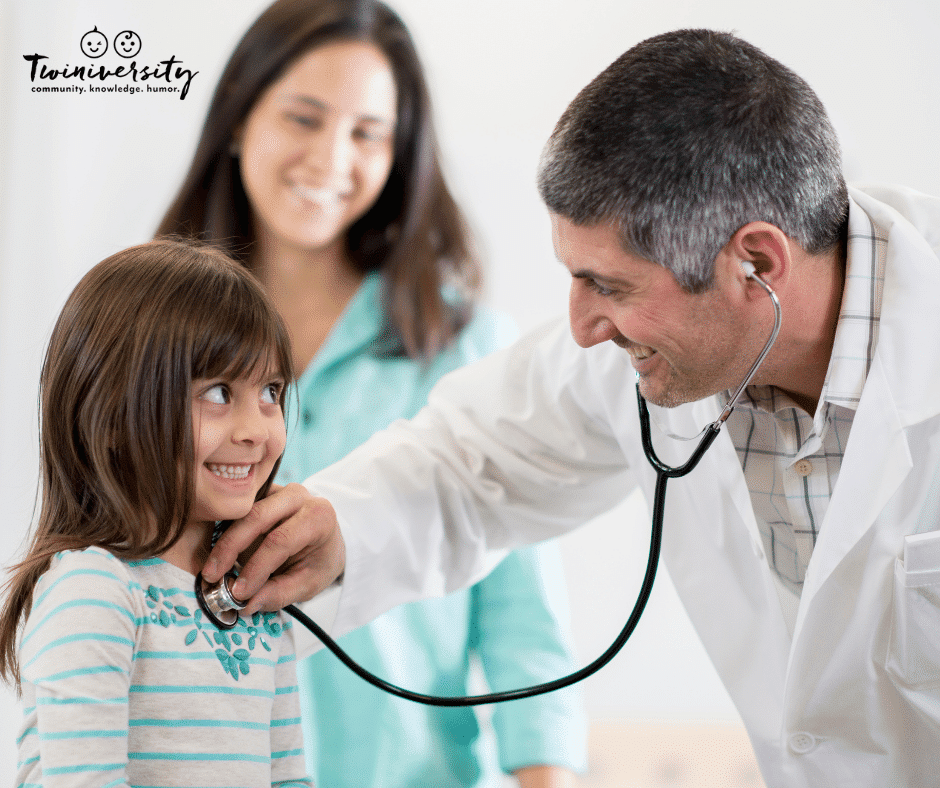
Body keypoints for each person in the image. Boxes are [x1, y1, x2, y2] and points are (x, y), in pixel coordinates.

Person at [201, 27, 940, 787]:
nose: (584, 329)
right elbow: (468, 463)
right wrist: (338, 528)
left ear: (755, 264)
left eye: (609, 286)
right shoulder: (655, 358)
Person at [157, 1, 586, 786]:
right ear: (238, 119)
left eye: (367, 133)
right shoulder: (149, 336)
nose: (331, 157)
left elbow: (524, 611)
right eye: (305, 117)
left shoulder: (461, 342)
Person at [0, 240, 311, 786]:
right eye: (217, 392)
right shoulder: (95, 590)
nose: (256, 429)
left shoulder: (255, 598)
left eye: (270, 391)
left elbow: (288, 777)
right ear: (115, 413)